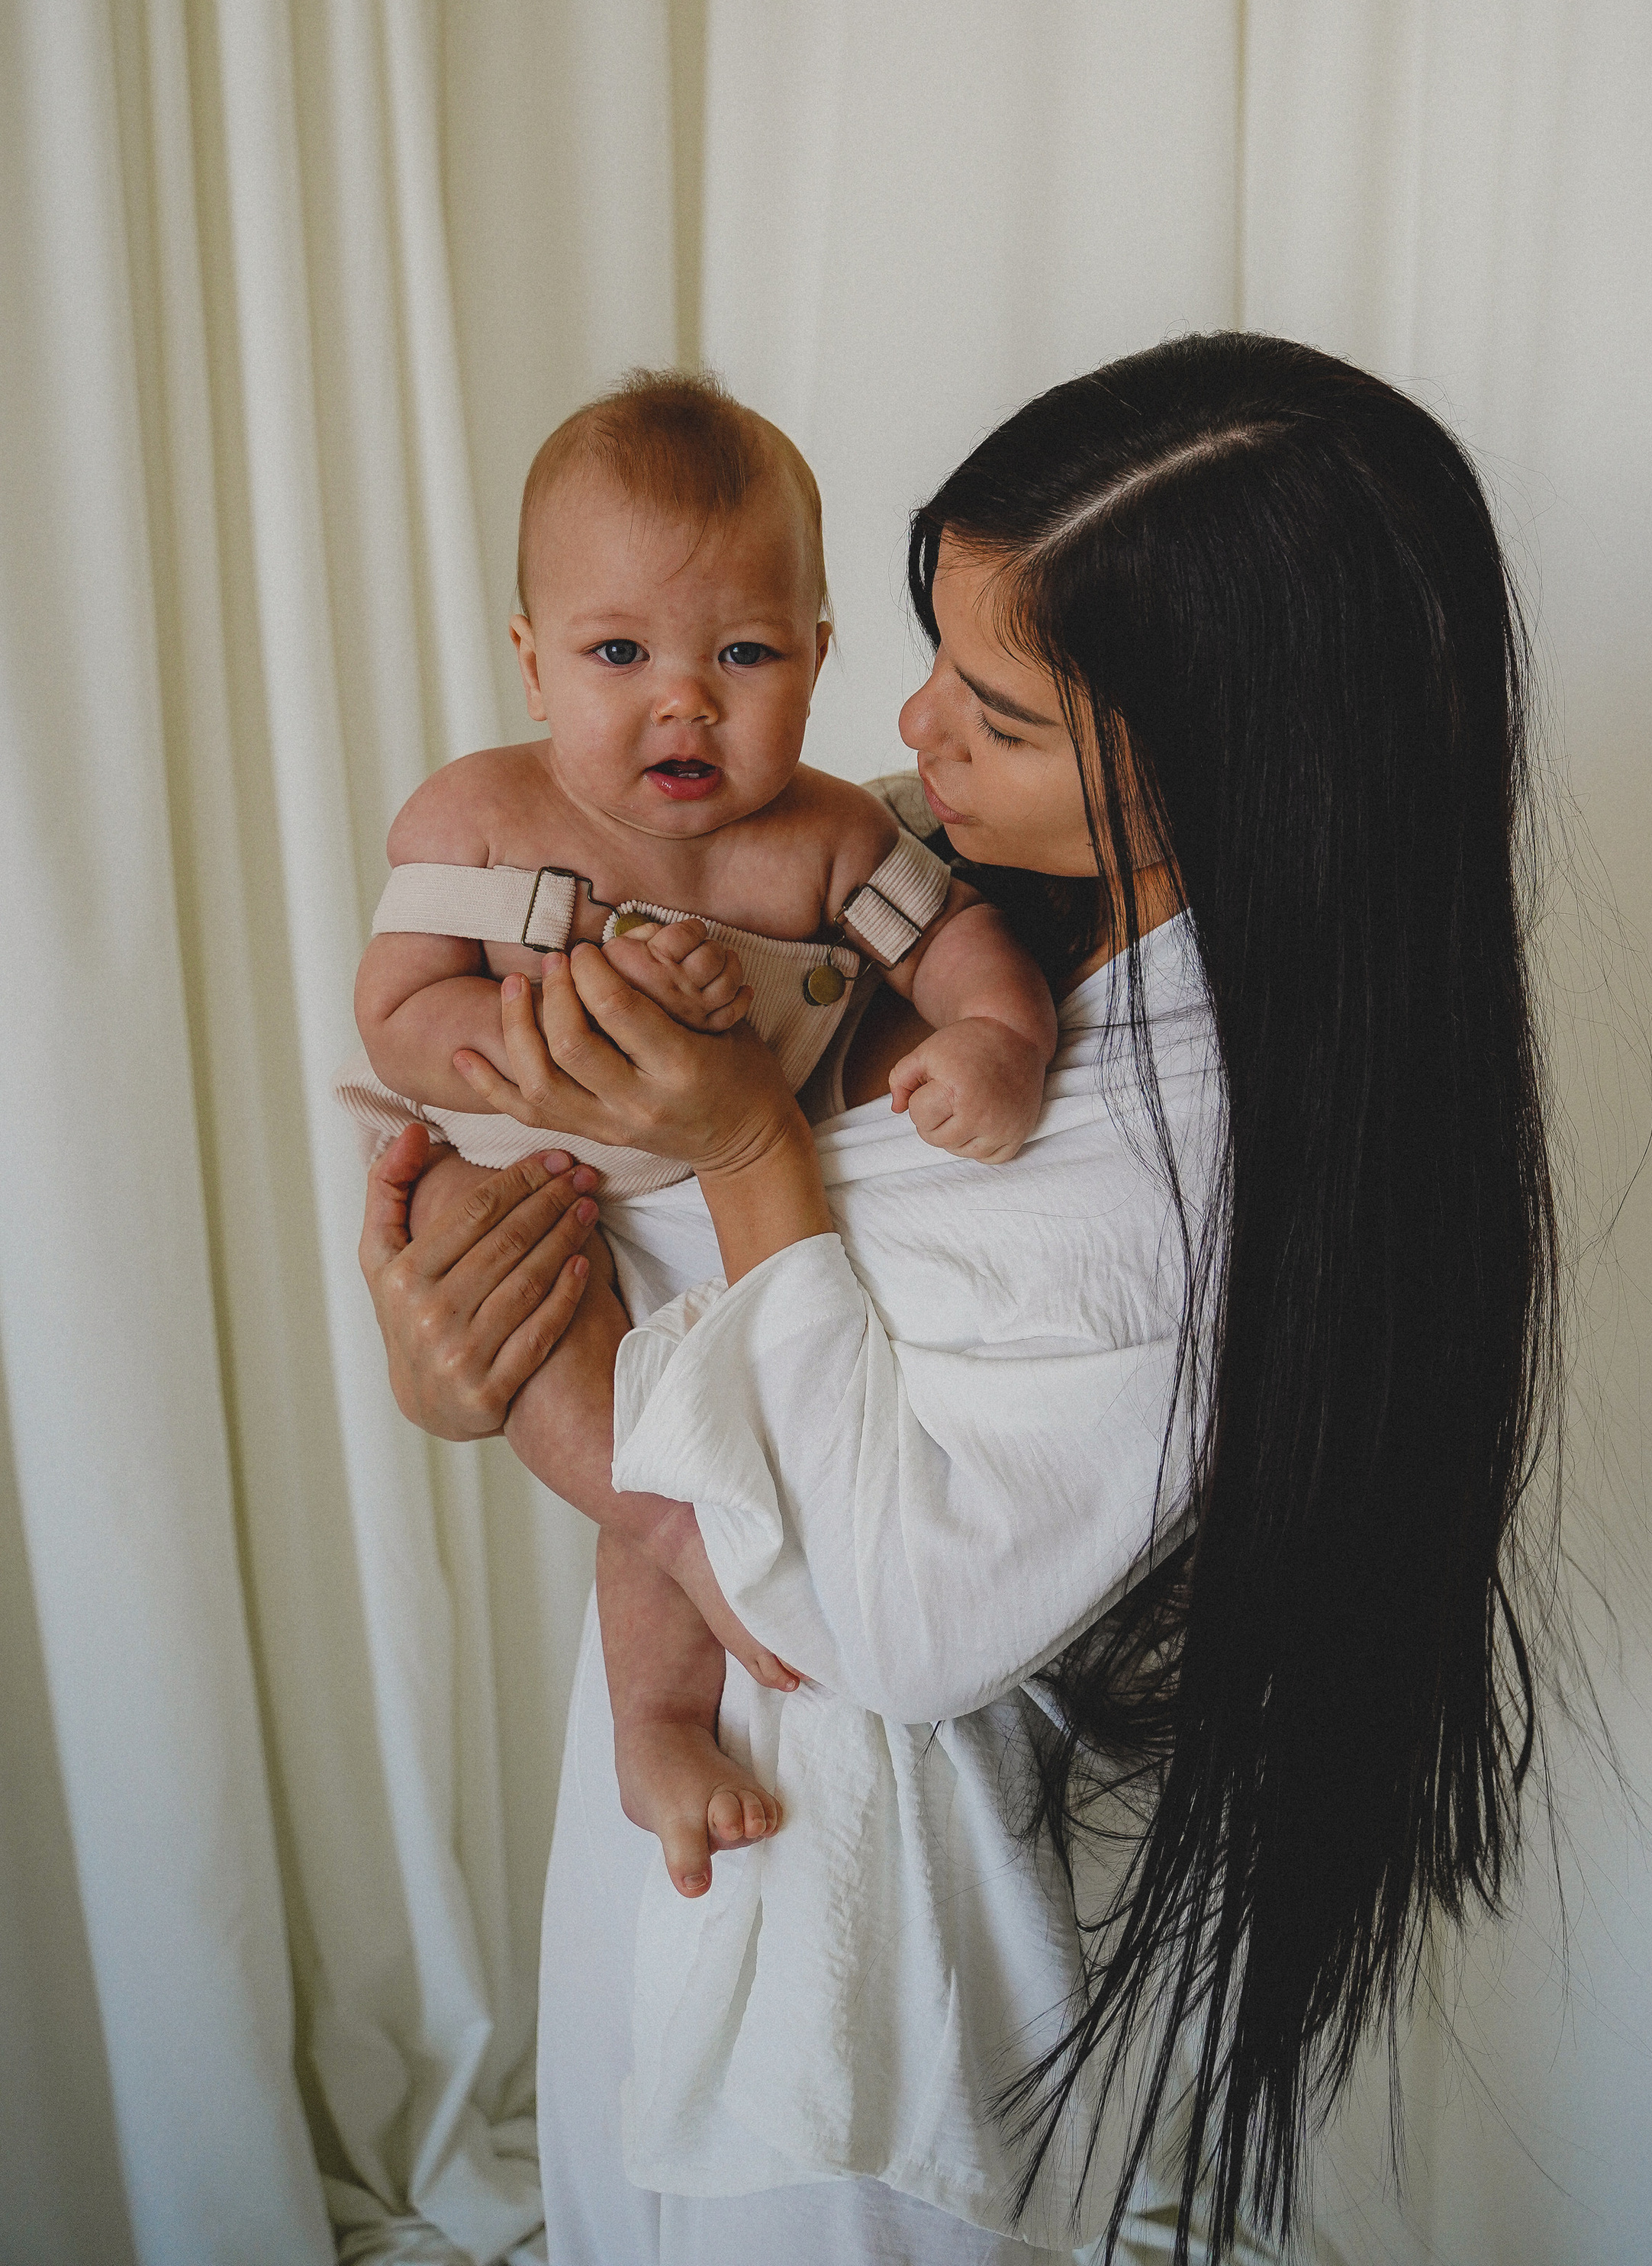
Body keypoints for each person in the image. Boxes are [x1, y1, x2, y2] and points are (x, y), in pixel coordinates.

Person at [359, 333, 1561, 2266]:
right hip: (675, 1792)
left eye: (990, 711)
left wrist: (746, 1144)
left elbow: (901, 1625)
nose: (905, 728)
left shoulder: (1206, 1166)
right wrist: (476, 1354)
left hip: (853, 1929)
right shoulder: (956, 887)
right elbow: (637, 1267)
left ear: (1230, 763)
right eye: (928, 655)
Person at [342, 370, 1058, 1897]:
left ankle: (666, 1696)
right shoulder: (480, 819)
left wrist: (997, 1043)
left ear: (815, 656)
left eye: (741, 652)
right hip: (547, 1179)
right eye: (618, 653)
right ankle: (668, 1585)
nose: (684, 699)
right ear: (532, 663)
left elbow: (958, 956)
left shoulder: (825, 838)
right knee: (594, 1413)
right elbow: (394, 1004)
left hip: (751, 1223)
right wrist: (511, 1051)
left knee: (702, 1422)